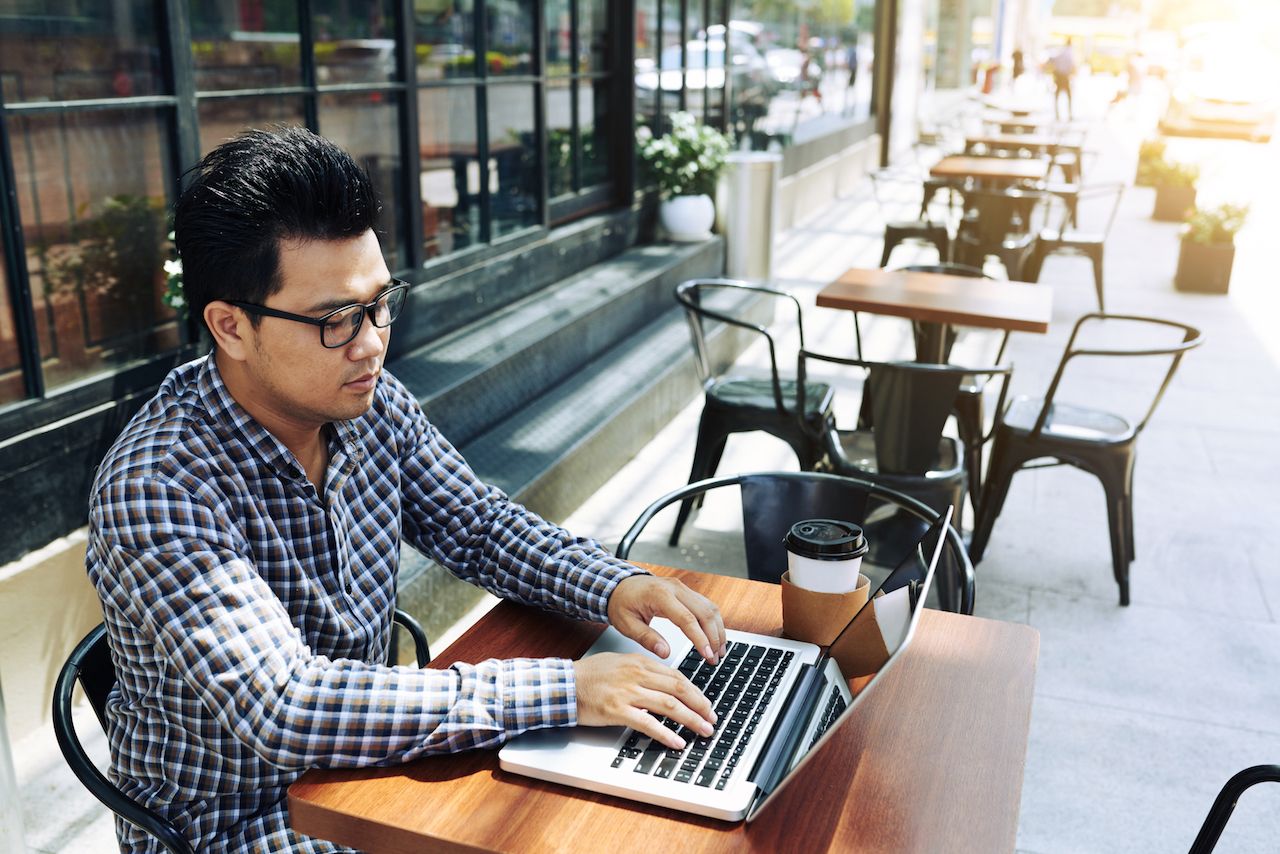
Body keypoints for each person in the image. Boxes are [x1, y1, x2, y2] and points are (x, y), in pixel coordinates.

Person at [86, 126, 726, 853]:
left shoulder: (366, 400)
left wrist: (612, 585)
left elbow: (477, 526)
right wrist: (564, 690)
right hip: (236, 821)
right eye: (334, 319)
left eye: (379, 302)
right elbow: (288, 707)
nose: (370, 342)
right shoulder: (159, 486)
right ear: (230, 327)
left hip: (364, 767)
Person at [1051, 40, 1077, 120]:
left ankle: (1057, 114)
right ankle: (1069, 114)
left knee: (1057, 96)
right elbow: (1073, 65)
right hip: (1065, 77)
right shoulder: (1070, 53)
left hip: (1059, 76)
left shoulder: (1061, 51)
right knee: (1068, 96)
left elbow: (1053, 60)